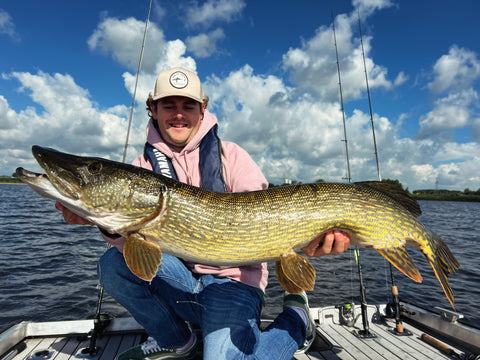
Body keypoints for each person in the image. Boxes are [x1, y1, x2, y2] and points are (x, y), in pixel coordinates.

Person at [55, 67, 350, 360]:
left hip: (233, 285)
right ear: (152, 109)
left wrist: (306, 239)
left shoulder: (232, 156)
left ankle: (296, 317)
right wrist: (108, 227)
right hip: (181, 280)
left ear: (202, 109)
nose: (178, 114)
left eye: (188, 106)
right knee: (112, 265)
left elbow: (267, 221)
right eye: (168, 105)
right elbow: (137, 253)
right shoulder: (141, 166)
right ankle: (176, 339)